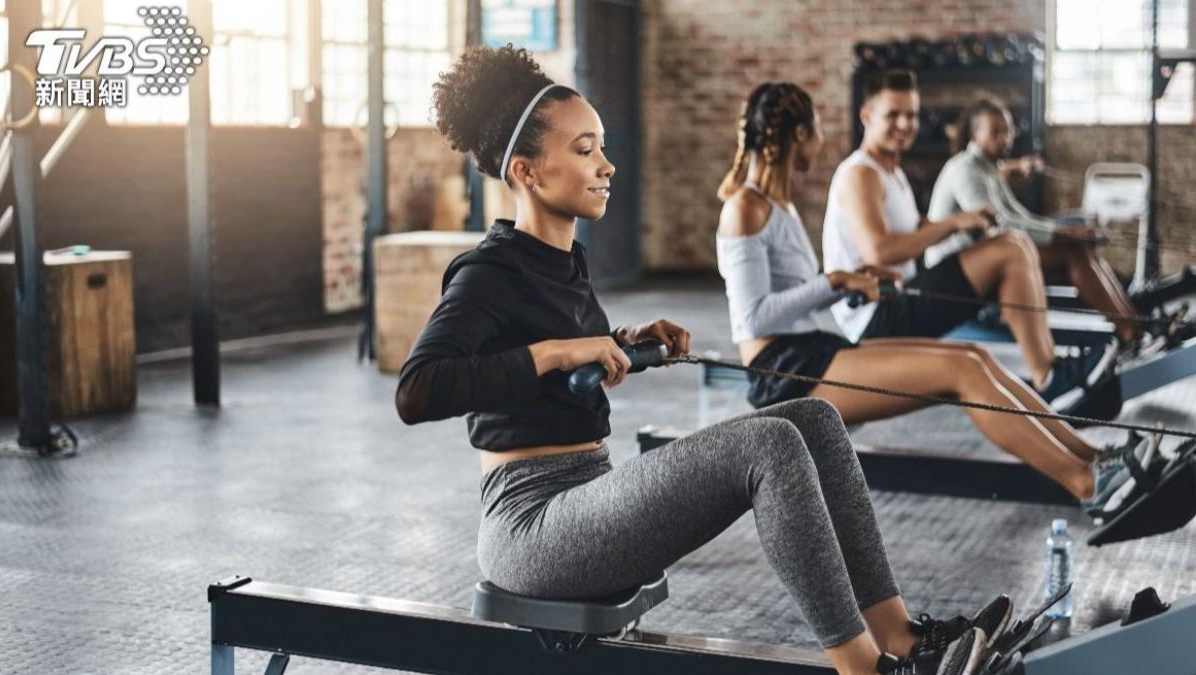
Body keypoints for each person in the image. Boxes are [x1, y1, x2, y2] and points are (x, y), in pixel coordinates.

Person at [398, 45, 997, 675]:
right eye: (584, 151)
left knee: (814, 420)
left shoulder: (564, 259)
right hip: (534, 526)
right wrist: (554, 353)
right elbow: (417, 391)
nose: (607, 166)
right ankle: (863, 669)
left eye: (600, 146)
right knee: (768, 446)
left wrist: (628, 340)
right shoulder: (486, 273)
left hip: (588, 487)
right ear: (526, 172)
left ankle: (901, 638)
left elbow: (559, 367)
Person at [715, 81, 1146, 524]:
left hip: (811, 350)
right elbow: (751, 319)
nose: (823, 140)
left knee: (974, 357)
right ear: (800, 135)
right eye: (819, 129)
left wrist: (853, 282)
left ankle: (1097, 457)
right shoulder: (745, 207)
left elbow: (795, 300)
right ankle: (1087, 483)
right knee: (960, 372)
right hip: (781, 372)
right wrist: (835, 280)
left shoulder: (777, 205)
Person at [821, 70, 1114, 406]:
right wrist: (955, 222)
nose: (905, 124)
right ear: (867, 116)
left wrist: (964, 223)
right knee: (1010, 248)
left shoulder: (891, 173)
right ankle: (1049, 378)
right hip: (877, 317)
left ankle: (1052, 370)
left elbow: (916, 229)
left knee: (1014, 246)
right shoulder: (861, 174)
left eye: (912, 115)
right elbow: (880, 251)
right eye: (893, 115)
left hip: (903, 295)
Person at [926, 97, 1142, 346]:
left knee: (1082, 249)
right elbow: (1000, 225)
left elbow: (1020, 217)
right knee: (1073, 253)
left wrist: (1066, 231)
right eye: (995, 132)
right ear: (975, 134)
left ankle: (1135, 323)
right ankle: (1131, 332)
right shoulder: (964, 169)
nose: (1004, 138)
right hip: (953, 270)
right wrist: (1063, 235)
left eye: (1007, 132)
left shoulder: (988, 168)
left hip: (982, 254)